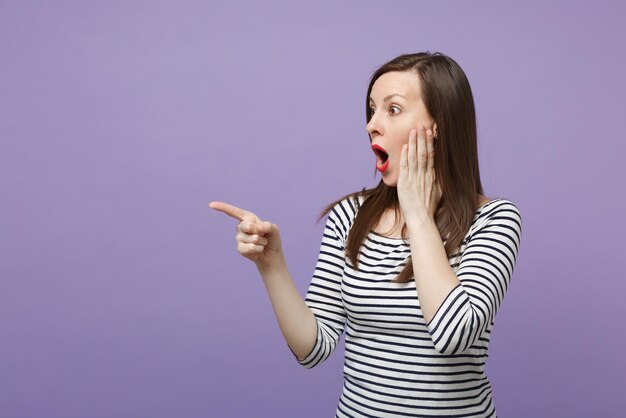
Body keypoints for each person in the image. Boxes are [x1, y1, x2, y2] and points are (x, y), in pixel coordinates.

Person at [210, 52, 522, 417]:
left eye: (392, 110)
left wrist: (417, 213)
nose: (371, 125)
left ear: (438, 124)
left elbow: (454, 335)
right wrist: (271, 264)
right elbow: (313, 348)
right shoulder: (350, 216)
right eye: (372, 110)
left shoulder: (494, 220)